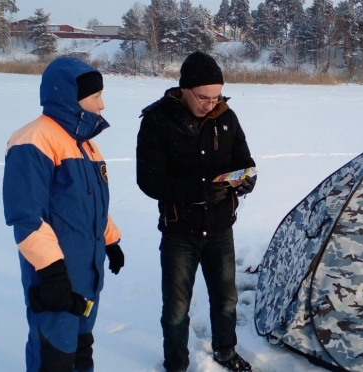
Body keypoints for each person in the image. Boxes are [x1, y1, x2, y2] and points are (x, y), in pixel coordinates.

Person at [136, 51, 257, 372]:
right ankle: (176, 363)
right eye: (203, 97)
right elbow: (148, 180)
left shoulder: (226, 116)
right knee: (176, 308)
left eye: (216, 96)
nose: (210, 103)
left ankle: (226, 351)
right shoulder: (157, 120)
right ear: (184, 89)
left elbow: (244, 162)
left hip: (220, 228)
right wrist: (196, 190)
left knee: (226, 301)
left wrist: (246, 180)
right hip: (179, 232)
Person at [2, 56, 125, 372]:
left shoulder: (84, 143)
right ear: (71, 96)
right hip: (55, 278)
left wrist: (110, 241)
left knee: (82, 350)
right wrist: (52, 273)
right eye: (96, 96)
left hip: (87, 274)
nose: (102, 105)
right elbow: (26, 217)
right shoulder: (32, 140)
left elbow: (89, 205)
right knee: (55, 355)